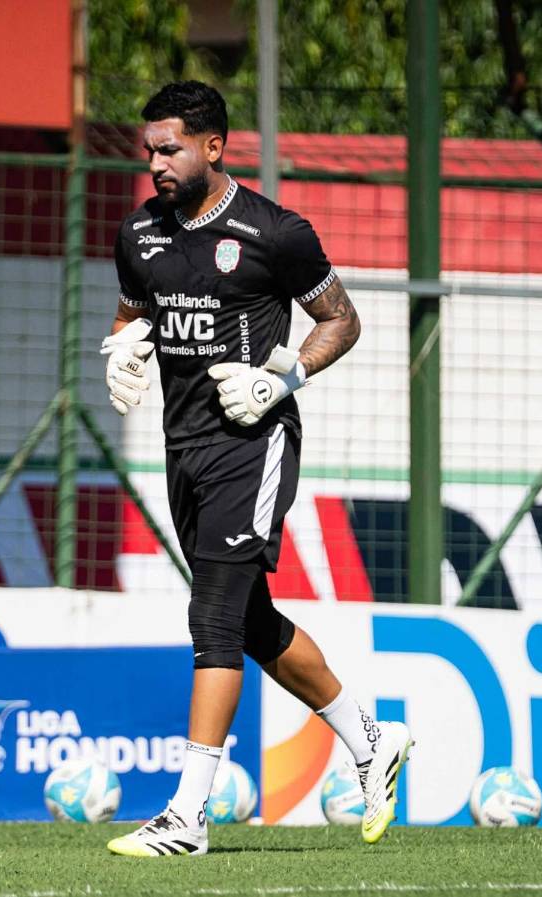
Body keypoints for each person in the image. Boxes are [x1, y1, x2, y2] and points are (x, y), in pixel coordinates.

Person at [101, 81, 412, 858]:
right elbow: (134, 308)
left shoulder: (275, 232)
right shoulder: (140, 231)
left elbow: (341, 318)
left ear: (213, 146)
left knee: (210, 621)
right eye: (149, 150)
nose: (156, 164)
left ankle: (188, 815)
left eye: (169, 148)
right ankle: (371, 739)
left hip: (255, 441)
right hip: (185, 448)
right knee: (248, 621)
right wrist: (123, 350)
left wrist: (284, 376)